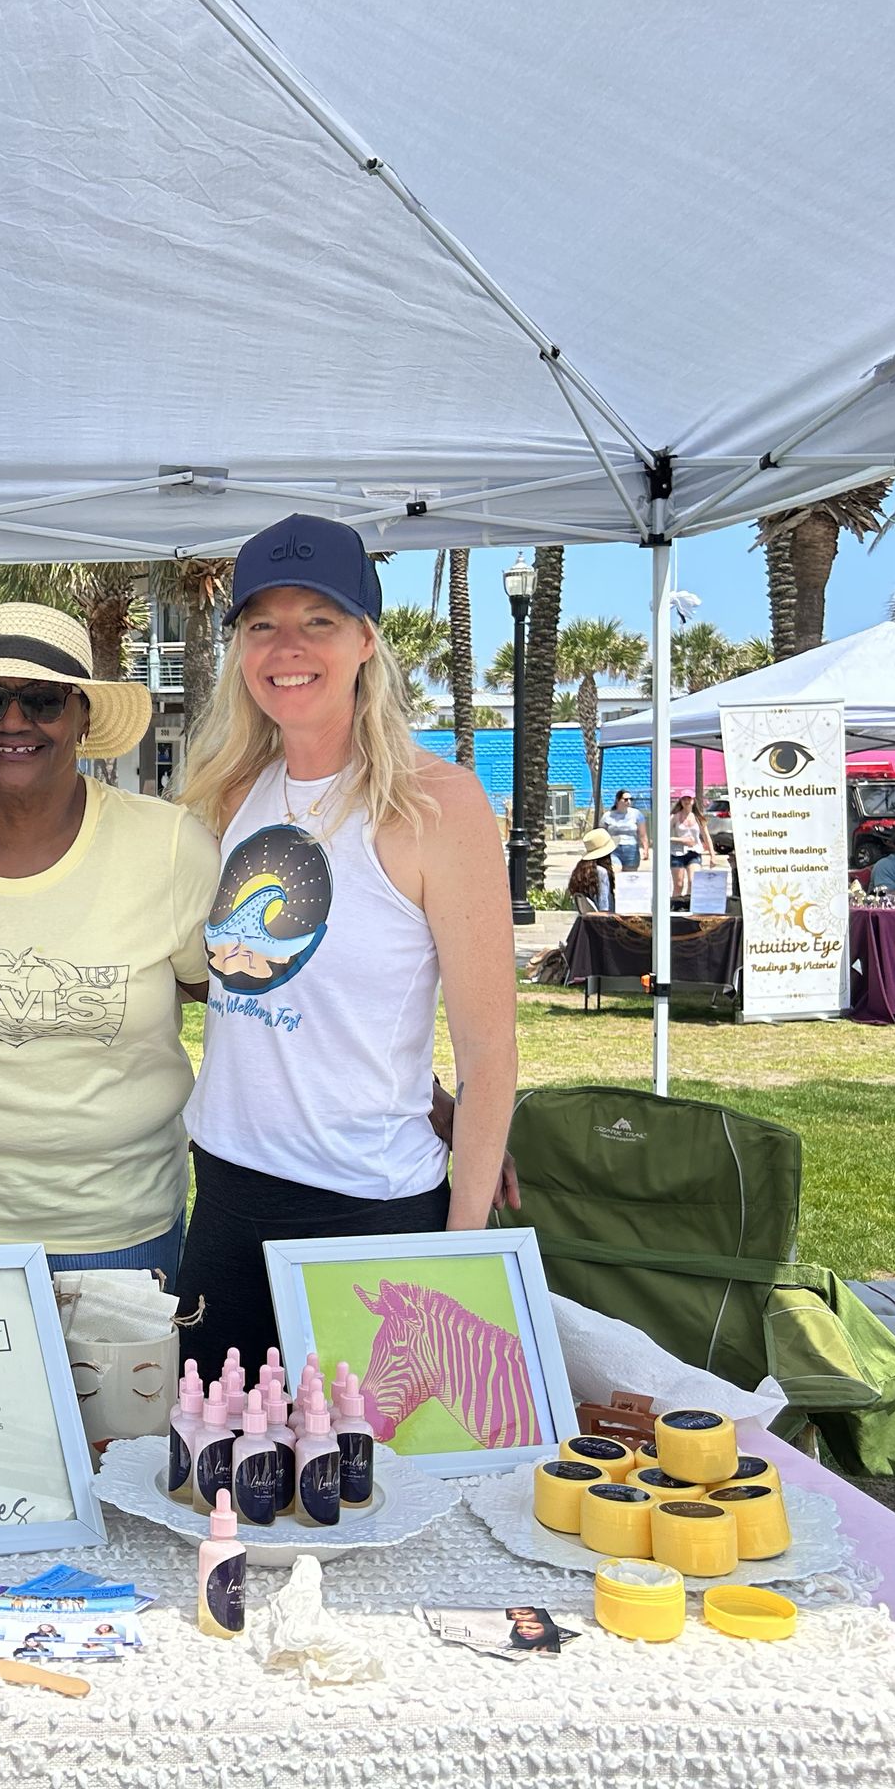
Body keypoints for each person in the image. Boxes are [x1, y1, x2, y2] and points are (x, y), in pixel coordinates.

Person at [175, 514, 520, 1375]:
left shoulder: (438, 803)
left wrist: (460, 1250)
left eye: (317, 620)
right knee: (214, 1482)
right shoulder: (229, 795)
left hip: (364, 1212)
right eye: (261, 624)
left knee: (367, 1496)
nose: (286, 645)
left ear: (368, 639)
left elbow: (494, 1049)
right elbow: (269, 987)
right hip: (223, 1195)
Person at [0, 603, 220, 1280]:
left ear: (83, 714)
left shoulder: (170, 847)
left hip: (123, 1225)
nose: (14, 722)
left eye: (44, 700)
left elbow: (230, 998)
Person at [668, 794, 710, 907]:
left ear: (693, 800)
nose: (686, 801)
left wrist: (712, 855)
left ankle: (688, 905)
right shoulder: (675, 817)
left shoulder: (698, 817)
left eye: (689, 798)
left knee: (694, 880)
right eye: (684, 799)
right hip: (677, 853)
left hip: (694, 852)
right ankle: (675, 907)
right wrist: (681, 840)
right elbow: (663, 835)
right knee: (679, 884)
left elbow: (706, 836)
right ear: (681, 801)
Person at [565, 826, 618, 913]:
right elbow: (604, 905)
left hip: (586, 919)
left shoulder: (581, 870)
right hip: (602, 921)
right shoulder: (601, 872)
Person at [600, 790, 644, 871]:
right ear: (617, 800)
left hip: (631, 848)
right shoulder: (607, 815)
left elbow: (642, 833)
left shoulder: (636, 814)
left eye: (631, 799)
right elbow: (601, 833)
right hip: (613, 848)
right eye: (626, 799)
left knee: (629, 877)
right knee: (615, 871)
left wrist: (645, 848)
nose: (629, 801)